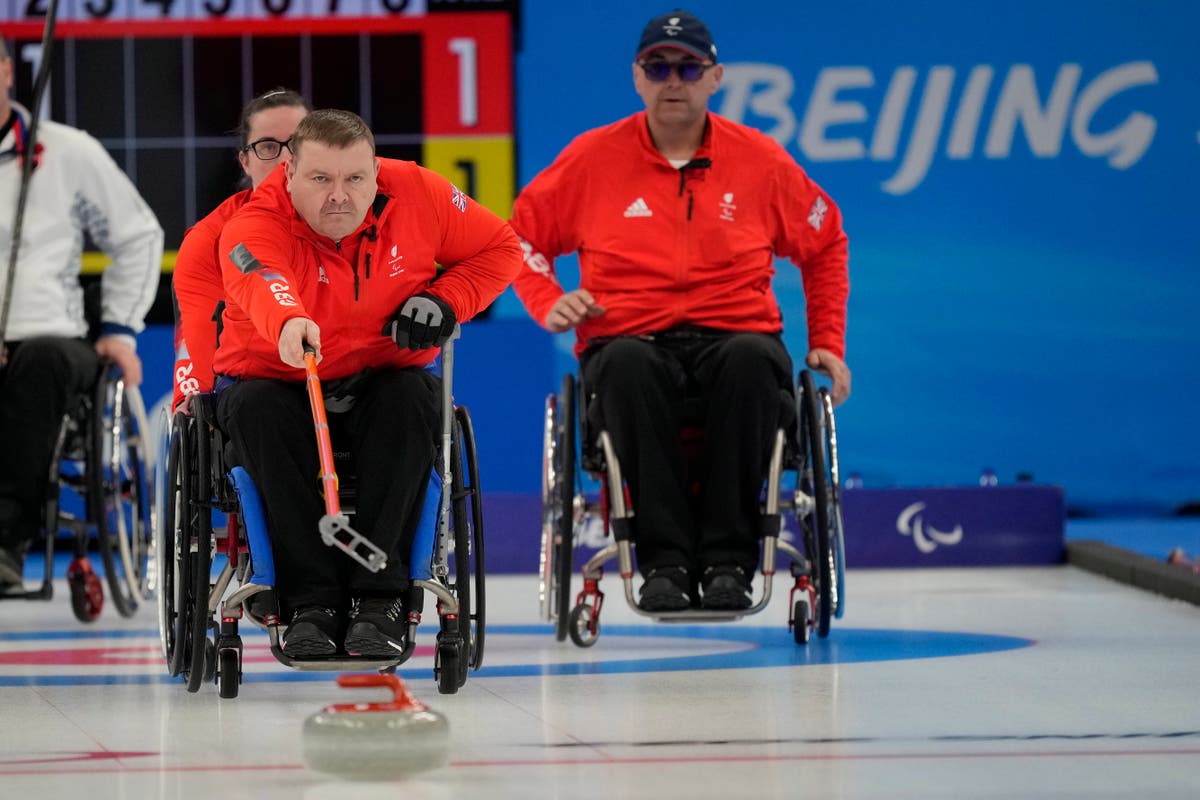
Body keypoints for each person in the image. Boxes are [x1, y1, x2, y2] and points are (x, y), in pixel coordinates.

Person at [510, 10, 851, 612]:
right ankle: (663, 563)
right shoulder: (592, 159)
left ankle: (728, 561)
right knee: (627, 368)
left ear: (715, 76)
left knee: (750, 361)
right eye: (658, 66)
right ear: (637, 77)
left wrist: (827, 339)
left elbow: (824, 243)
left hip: (738, 334)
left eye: (689, 66)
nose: (674, 80)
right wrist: (548, 298)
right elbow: (519, 239)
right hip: (628, 337)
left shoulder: (761, 160)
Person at [213, 109, 521, 657]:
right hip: (279, 378)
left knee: (413, 399)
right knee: (259, 408)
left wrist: (446, 299)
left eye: (355, 178)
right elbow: (259, 275)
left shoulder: (420, 193)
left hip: (385, 374)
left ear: (376, 173)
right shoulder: (253, 223)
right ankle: (310, 602)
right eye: (320, 179)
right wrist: (287, 320)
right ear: (287, 174)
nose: (340, 196)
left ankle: (379, 600)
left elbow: (501, 249)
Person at [0, 37, 164, 589]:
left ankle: (5, 544)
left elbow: (138, 235)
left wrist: (119, 329)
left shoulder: (67, 151)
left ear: (5, 71)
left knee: (41, 364)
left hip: (48, 339)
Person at [171, 88, 310, 412]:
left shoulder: (353, 220)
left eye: (298, 145)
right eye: (268, 147)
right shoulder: (209, 240)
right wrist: (190, 396)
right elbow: (198, 337)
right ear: (245, 161)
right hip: (262, 391)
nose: (285, 160)